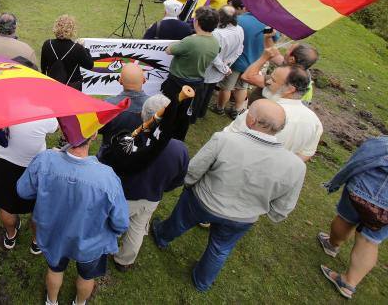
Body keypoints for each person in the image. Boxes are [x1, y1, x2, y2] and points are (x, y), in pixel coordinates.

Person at [151, 99, 305, 292]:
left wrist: (188, 186)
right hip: (243, 218)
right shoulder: (296, 166)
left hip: (203, 202)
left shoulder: (223, 140)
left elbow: (193, 171)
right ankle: (202, 282)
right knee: (220, 249)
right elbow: (281, 209)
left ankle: (162, 237)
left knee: (180, 222)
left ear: (251, 120)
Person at [17, 134, 129, 305]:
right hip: (90, 243)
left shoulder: (44, 159)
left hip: (54, 236)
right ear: (93, 136)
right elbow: (121, 223)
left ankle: (51, 301)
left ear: (64, 132)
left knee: (55, 270)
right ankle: (79, 303)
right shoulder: (108, 177)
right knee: (86, 276)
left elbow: (23, 191)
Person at [0, 63, 59, 251]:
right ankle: (36, 241)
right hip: (31, 169)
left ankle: (11, 235)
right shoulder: (43, 112)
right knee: (37, 209)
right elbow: (54, 127)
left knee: (6, 206)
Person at [110, 94, 188, 271]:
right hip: (151, 197)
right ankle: (124, 261)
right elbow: (177, 180)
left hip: (124, 196)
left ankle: (106, 245)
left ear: (143, 115)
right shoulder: (180, 149)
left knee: (113, 223)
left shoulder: (129, 143)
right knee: (137, 228)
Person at [317, 136, 387, 299]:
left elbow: (358, 162)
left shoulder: (384, 144)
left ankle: (332, 244)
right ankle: (349, 282)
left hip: (362, 193)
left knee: (345, 220)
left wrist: (336, 181)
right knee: (370, 241)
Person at [224, 64, 322, 161]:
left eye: (274, 80)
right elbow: (304, 154)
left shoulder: (262, 110)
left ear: (290, 89)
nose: (268, 81)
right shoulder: (315, 122)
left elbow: (228, 138)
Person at [162, 6, 220, 140]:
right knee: (184, 118)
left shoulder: (190, 41)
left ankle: (164, 138)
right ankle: (177, 140)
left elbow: (169, 50)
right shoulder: (215, 42)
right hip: (197, 85)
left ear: (197, 22)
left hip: (177, 84)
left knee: (169, 114)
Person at [214, 0, 273, 118]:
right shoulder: (268, 25)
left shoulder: (240, 20)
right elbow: (272, 41)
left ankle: (219, 108)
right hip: (253, 63)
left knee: (226, 87)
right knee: (242, 87)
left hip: (236, 61)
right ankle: (236, 110)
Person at [195, 5, 244, 119]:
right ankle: (201, 112)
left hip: (209, 69)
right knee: (208, 92)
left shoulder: (217, 33)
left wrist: (224, 66)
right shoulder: (239, 29)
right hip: (221, 68)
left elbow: (213, 55)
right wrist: (227, 64)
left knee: (202, 93)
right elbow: (239, 50)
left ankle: (196, 114)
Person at [98, 64, 150, 157]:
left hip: (111, 158)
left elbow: (96, 130)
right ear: (144, 80)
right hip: (142, 158)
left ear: (120, 81)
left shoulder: (107, 104)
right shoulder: (156, 106)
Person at [40, 15, 94, 90]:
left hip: (51, 86)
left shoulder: (47, 44)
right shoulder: (78, 48)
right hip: (71, 89)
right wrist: (85, 49)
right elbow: (89, 65)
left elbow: (43, 68)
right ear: (72, 30)